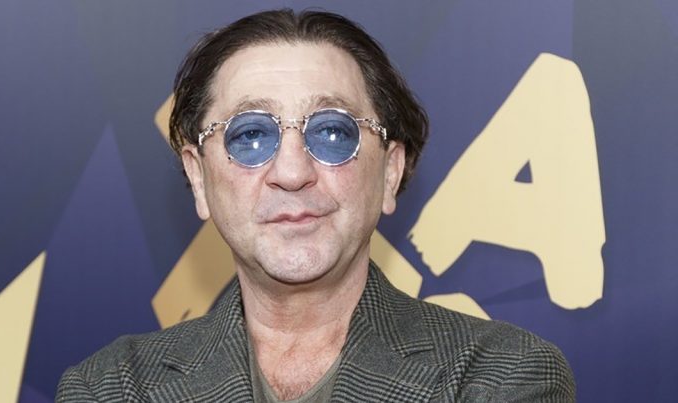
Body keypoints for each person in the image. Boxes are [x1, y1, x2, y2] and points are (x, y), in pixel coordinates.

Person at [57, 9, 575, 402]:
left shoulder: (501, 375)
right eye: (250, 135)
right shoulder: (112, 387)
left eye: (331, 132)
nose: (292, 172)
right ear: (198, 177)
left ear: (389, 172)